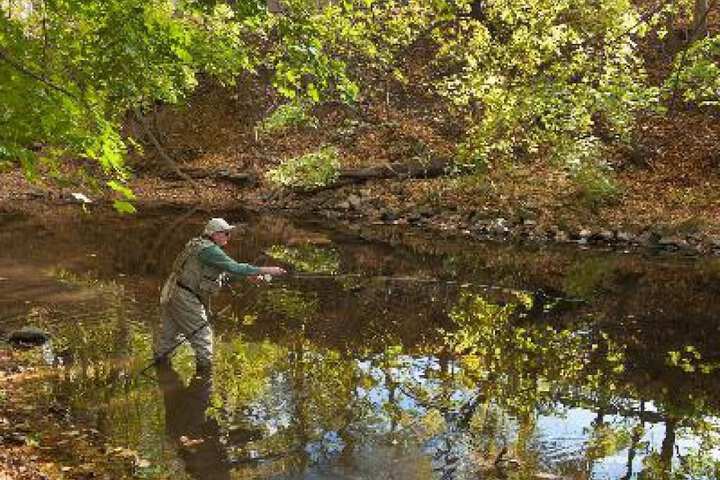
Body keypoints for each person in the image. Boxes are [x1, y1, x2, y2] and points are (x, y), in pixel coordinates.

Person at [155, 217, 286, 371]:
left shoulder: (198, 244)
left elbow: (217, 272)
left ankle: (161, 370)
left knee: (168, 338)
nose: (228, 236)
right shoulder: (210, 250)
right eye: (226, 233)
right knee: (203, 338)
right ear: (215, 234)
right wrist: (267, 270)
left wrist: (248, 276)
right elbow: (235, 267)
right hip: (186, 298)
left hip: (174, 292)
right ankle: (204, 378)